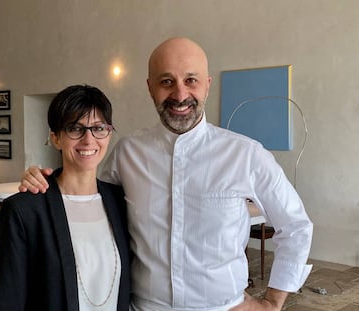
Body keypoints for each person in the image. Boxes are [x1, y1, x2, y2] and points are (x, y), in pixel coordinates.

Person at [20, 38, 313, 311]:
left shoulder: (246, 154)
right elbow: (88, 198)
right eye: (167, 82)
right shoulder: (127, 152)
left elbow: (296, 226)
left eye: (191, 80)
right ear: (150, 88)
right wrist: (45, 179)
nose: (180, 94)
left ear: (207, 85)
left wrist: (272, 302)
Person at [0, 85, 130, 311]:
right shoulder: (25, 210)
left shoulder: (120, 201)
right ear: (56, 138)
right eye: (75, 128)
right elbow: (9, 299)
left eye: (98, 128)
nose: (89, 139)